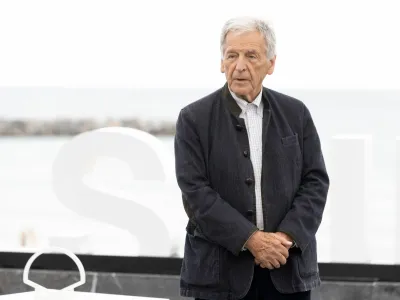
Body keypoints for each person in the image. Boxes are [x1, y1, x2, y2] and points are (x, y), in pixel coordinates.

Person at [174, 16, 329, 300]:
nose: (240, 65)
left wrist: (285, 239)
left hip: (287, 269)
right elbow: (195, 194)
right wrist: (253, 240)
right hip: (218, 277)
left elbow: (315, 182)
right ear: (222, 63)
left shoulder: (296, 113)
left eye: (251, 55)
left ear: (271, 64)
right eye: (231, 55)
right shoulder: (193, 118)